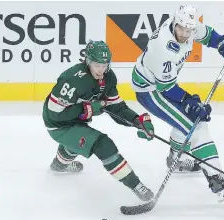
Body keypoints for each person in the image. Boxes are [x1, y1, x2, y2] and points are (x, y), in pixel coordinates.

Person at [131, 4, 224, 199]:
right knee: (195, 122)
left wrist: (222, 44)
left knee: (185, 118)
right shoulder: (161, 47)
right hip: (149, 90)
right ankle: (216, 178)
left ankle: (176, 158)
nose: (184, 33)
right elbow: (165, 89)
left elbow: (208, 36)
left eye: (188, 30)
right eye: (181, 28)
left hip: (162, 85)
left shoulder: (188, 25)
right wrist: (188, 101)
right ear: (174, 22)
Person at [42, 40, 155, 202]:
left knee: (79, 141)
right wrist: (88, 109)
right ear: (87, 61)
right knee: (103, 144)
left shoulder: (108, 78)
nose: (101, 70)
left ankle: (59, 164)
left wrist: (136, 121)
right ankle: (136, 185)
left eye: (105, 65)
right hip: (58, 125)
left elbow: (117, 108)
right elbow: (55, 114)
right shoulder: (73, 79)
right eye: (97, 65)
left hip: (75, 120)